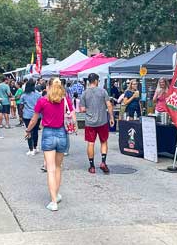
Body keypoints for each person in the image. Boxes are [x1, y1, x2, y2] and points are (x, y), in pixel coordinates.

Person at [25, 77, 77, 211]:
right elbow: (73, 116)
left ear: (48, 86)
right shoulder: (65, 100)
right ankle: (56, 194)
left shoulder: (42, 101)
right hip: (62, 134)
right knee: (58, 167)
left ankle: (53, 201)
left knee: (50, 169)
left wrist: (28, 130)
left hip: (48, 134)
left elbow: (34, 119)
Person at [80, 73, 115, 174]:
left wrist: (89, 110)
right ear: (95, 81)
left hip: (90, 123)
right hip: (102, 121)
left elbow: (82, 109)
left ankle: (92, 167)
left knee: (91, 143)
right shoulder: (103, 91)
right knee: (103, 142)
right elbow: (109, 105)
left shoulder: (84, 93)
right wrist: (111, 117)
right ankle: (103, 162)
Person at [20, 80, 41, 155]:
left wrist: (21, 115)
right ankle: (35, 147)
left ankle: (31, 149)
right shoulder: (38, 95)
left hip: (27, 115)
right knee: (35, 131)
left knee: (29, 131)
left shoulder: (24, 95)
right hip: (37, 115)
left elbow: (21, 106)